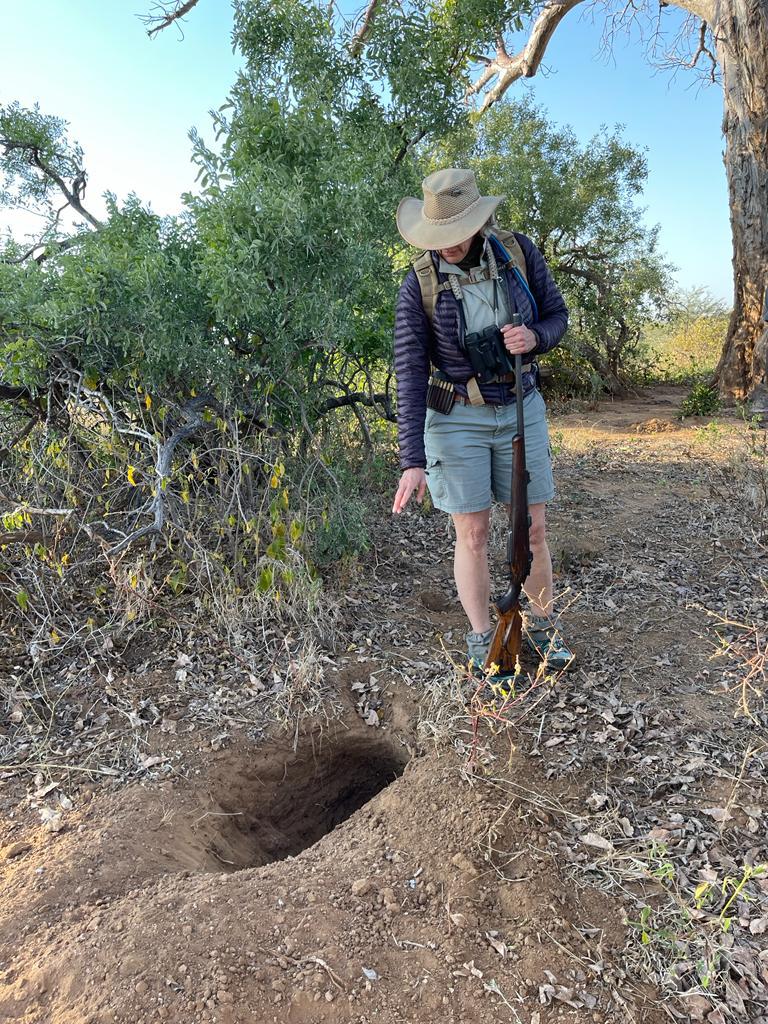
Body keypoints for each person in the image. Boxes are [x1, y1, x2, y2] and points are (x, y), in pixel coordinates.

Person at [391, 167, 574, 674]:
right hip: (456, 418)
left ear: (477, 223)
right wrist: (413, 460)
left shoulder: (518, 253)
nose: (445, 246)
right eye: (437, 237)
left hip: (521, 408)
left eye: (453, 235)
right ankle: (481, 638)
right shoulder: (419, 284)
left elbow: (557, 316)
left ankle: (539, 628)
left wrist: (535, 338)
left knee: (533, 528)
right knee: (471, 533)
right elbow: (409, 370)